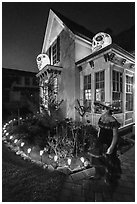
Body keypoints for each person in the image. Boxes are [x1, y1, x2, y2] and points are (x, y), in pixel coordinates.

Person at [93, 101, 122, 184]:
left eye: (103, 108)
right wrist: (98, 138)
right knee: (97, 158)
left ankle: (111, 178)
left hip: (109, 142)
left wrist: (111, 147)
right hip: (101, 141)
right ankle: (98, 174)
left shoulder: (113, 121)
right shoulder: (101, 118)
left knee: (110, 161)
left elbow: (115, 136)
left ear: (107, 110)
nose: (101, 110)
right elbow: (100, 129)